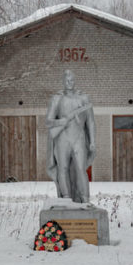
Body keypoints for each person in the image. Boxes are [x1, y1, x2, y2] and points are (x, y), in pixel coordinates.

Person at [45, 69, 96, 202]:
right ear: (63, 81)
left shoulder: (84, 98)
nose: (69, 83)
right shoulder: (57, 99)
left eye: (72, 80)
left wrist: (92, 141)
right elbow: (48, 121)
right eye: (67, 80)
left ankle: (85, 199)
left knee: (81, 168)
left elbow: (90, 121)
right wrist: (61, 121)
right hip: (62, 137)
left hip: (79, 137)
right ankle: (66, 198)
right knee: (63, 168)